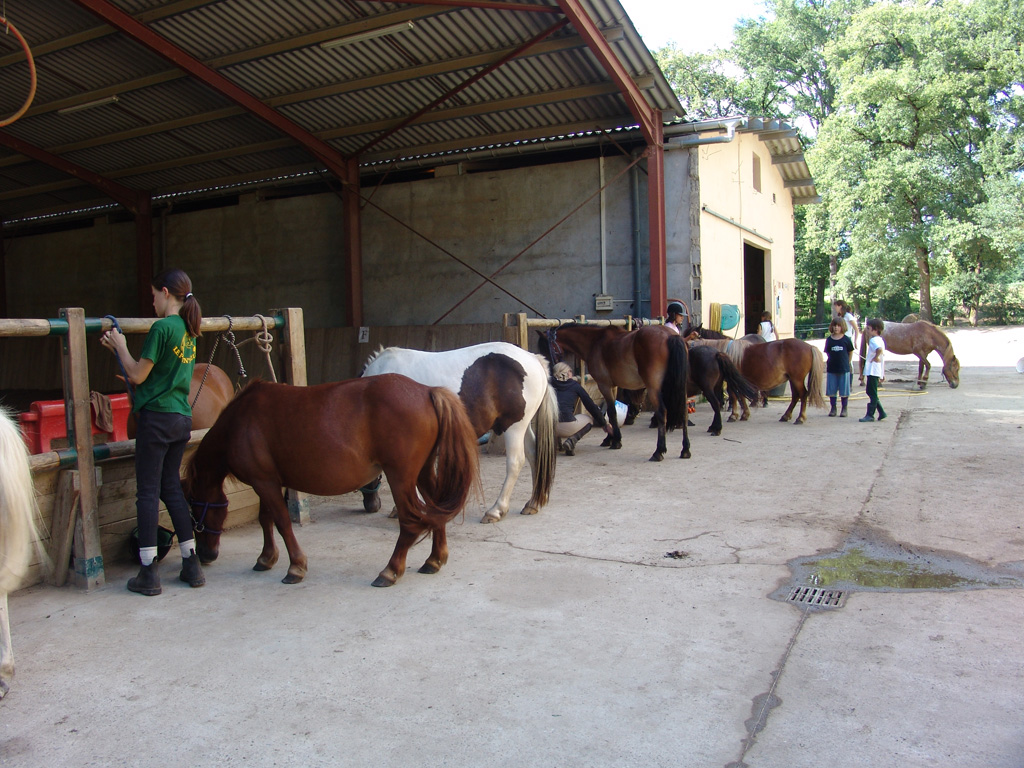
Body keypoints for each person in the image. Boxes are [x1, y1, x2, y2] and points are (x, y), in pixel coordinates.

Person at [100, 268, 205, 596]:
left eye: (154, 295)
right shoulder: (189, 330)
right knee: (170, 487)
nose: (153, 302)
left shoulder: (162, 328)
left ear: (165, 292)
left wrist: (119, 345)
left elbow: (137, 375)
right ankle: (191, 563)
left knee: (147, 492)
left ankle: (148, 571)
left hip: (156, 419)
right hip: (180, 418)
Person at [550, 362, 613, 455]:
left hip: (549, 426)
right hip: (567, 426)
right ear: (568, 373)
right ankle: (572, 440)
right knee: (589, 420)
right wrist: (604, 424)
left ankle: (555, 443)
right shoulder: (575, 386)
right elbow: (591, 406)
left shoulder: (549, 384)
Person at [823, 317, 854, 417]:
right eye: (834, 326)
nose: (836, 328)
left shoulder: (846, 339)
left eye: (838, 326)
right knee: (832, 390)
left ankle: (844, 408)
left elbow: (850, 351)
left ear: (842, 327)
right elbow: (827, 352)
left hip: (843, 369)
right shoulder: (829, 340)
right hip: (832, 368)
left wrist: (847, 362)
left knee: (844, 390)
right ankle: (833, 408)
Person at [859, 318, 887, 422]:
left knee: (871, 392)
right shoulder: (880, 340)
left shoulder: (873, 340)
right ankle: (881, 412)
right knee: (872, 391)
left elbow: (879, 350)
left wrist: (876, 357)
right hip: (876, 370)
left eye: (868, 328)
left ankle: (870, 414)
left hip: (873, 370)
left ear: (875, 329)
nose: (867, 330)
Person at [833, 300, 859, 369]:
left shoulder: (848, 316)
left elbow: (856, 329)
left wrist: (855, 341)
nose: (835, 308)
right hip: (840, 338)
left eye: (836, 306)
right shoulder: (841, 317)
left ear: (840, 306)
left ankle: (850, 373)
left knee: (848, 358)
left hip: (847, 338)